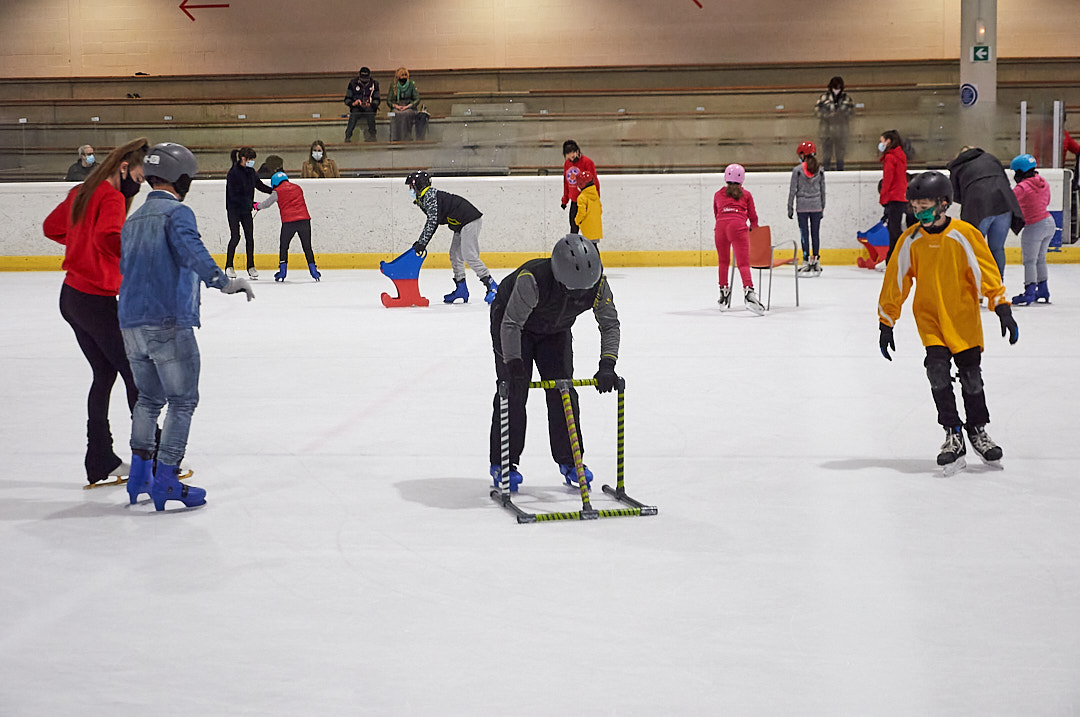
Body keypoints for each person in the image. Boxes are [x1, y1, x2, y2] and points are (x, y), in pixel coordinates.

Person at [118, 142, 255, 510]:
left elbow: (124, 268)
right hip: (167, 320)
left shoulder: (133, 220)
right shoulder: (176, 214)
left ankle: (139, 478)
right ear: (181, 178)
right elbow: (194, 253)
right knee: (182, 401)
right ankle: (165, 480)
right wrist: (225, 282)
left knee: (148, 400)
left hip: (130, 322)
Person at [877, 171, 1019, 476]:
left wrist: (1001, 306)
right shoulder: (910, 240)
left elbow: (986, 271)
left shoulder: (965, 234)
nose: (920, 213)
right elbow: (896, 281)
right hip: (930, 319)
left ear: (944, 203)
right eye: (915, 207)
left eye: (925, 206)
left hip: (962, 318)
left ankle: (978, 430)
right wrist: (886, 321)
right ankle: (952, 433)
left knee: (971, 376)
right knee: (937, 371)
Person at [43, 137, 148, 486]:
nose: (140, 183)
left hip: (72, 298)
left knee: (104, 374)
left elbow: (52, 228)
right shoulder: (112, 197)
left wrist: (81, 242)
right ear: (124, 168)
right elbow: (108, 238)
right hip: (94, 300)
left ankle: (100, 459)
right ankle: (154, 457)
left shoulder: (82, 191)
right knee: (135, 373)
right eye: (139, 176)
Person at [488, 234, 620, 492]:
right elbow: (511, 324)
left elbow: (609, 324)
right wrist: (513, 364)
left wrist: (607, 364)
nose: (579, 295)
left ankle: (571, 460)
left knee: (563, 391)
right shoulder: (532, 280)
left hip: (556, 329)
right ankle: (503, 462)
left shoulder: (598, 284)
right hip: (513, 324)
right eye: (573, 290)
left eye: (584, 289)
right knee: (513, 392)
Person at [405, 170, 498, 304]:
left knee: (469, 255)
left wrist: (422, 243)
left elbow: (433, 221)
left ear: (418, 185)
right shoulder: (424, 197)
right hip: (460, 224)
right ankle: (461, 288)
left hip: (469, 220)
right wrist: (421, 242)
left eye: (411, 187)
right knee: (455, 255)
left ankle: (492, 286)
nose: (410, 190)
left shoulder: (429, 196)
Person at [946, 146, 1024, 279]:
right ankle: (998, 283)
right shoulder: (991, 158)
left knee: (974, 248)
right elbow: (1005, 182)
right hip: (1004, 203)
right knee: (997, 248)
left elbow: (955, 194)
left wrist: (968, 196)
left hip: (977, 207)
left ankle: (977, 283)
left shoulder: (957, 166)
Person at [714, 163, 765, 315]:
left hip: (721, 228)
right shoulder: (746, 194)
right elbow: (753, 216)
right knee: (743, 264)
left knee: (723, 262)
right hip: (738, 227)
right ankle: (749, 293)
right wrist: (753, 227)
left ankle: (723, 292)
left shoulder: (718, 194)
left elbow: (716, 213)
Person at [256, 172, 322, 282]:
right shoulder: (298, 188)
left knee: (284, 246)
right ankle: (314, 271)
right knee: (307, 247)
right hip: (304, 220)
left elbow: (267, 204)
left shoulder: (277, 191)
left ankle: (282, 271)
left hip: (288, 222)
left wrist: (257, 206)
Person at [1009, 153, 1055, 305]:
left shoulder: (1022, 188)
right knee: (1041, 258)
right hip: (1049, 222)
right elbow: (1047, 201)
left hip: (1034, 225)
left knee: (1029, 260)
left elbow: (1010, 202)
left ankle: (1029, 292)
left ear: (1020, 172)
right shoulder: (1043, 182)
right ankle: (1043, 289)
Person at [225, 146, 273, 280]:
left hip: (246, 210)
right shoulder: (233, 173)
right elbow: (234, 195)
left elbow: (259, 185)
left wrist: (274, 190)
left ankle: (251, 266)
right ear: (243, 158)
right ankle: (229, 266)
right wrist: (251, 203)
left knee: (249, 238)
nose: (252, 162)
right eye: (250, 159)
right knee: (235, 236)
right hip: (234, 209)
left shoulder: (251, 172)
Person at [787, 140, 826, 274]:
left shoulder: (797, 171)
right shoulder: (820, 170)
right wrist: (822, 207)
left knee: (804, 233)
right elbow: (822, 190)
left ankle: (805, 259)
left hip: (802, 207)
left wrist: (790, 207)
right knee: (815, 233)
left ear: (803, 154)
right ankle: (816, 259)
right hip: (816, 206)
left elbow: (793, 190)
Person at [878, 129, 908, 263]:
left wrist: (883, 197)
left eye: (882, 141)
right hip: (901, 195)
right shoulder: (901, 155)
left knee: (893, 230)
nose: (880, 144)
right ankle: (895, 257)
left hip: (894, 196)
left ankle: (893, 258)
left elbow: (888, 179)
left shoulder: (890, 157)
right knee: (895, 227)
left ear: (888, 141)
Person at [814, 76, 855, 171]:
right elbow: (816, 111)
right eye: (835, 88)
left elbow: (852, 112)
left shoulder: (847, 98)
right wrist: (826, 115)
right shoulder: (823, 98)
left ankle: (840, 171)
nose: (836, 90)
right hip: (826, 131)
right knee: (826, 154)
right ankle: (826, 171)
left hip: (841, 131)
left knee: (840, 154)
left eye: (839, 88)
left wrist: (841, 115)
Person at [560, 140, 600, 234]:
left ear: (577, 151)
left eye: (573, 156)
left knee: (589, 230)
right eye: (569, 157)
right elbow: (566, 182)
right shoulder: (567, 164)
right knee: (573, 227)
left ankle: (590, 244)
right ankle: (574, 244)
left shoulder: (587, 162)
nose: (571, 159)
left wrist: (595, 198)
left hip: (587, 201)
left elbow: (594, 181)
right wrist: (565, 200)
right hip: (574, 201)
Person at [344, 66, 380, 143]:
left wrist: (371, 104)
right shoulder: (353, 83)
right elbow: (347, 99)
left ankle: (372, 136)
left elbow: (377, 100)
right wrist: (353, 103)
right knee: (354, 114)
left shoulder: (374, 84)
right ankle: (348, 136)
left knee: (370, 113)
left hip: (369, 108)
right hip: (357, 108)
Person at [386, 67, 421, 142]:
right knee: (394, 114)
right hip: (395, 108)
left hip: (410, 108)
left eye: (405, 75)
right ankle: (395, 138)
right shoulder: (393, 85)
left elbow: (417, 99)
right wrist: (396, 106)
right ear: (398, 76)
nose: (404, 77)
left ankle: (406, 138)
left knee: (405, 114)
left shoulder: (412, 84)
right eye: (402, 75)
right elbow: (388, 100)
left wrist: (408, 106)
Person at [573, 169, 602, 246]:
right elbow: (600, 210)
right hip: (596, 226)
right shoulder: (595, 195)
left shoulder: (582, 197)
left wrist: (577, 220)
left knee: (589, 247)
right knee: (594, 246)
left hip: (587, 228)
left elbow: (581, 212)